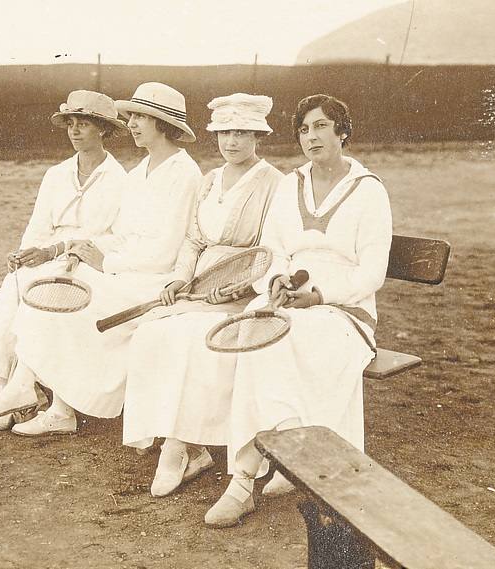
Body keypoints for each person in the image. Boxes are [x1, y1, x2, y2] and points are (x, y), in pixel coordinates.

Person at [0, 82, 203, 437]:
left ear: (162, 123)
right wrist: (81, 248)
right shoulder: (142, 170)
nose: (132, 124)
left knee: (71, 297)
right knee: (57, 287)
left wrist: (105, 263)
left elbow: (165, 252)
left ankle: (43, 399)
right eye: (132, 116)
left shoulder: (184, 173)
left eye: (140, 117)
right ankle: (32, 392)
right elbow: (122, 234)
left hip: (154, 280)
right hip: (128, 270)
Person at [204, 94, 392, 528]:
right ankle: (245, 477)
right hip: (289, 298)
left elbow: (371, 273)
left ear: (342, 132)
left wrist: (321, 296)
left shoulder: (369, 190)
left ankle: (281, 462)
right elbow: (273, 249)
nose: (312, 137)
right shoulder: (291, 184)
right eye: (304, 129)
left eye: (321, 126)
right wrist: (274, 281)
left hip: (344, 311)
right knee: (254, 334)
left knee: (290, 339)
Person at [0, 90, 129, 435]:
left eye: (84, 124)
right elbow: (37, 228)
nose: (75, 131)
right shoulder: (56, 174)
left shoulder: (120, 179)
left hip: (83, 259)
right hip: (49, 253)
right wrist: (24, 254)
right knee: (17, 280)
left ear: (103, 129)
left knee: (42, 285)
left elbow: (117, 236)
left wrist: (61, 250)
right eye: (71, 124)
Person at [121, 93, 283, 497]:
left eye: (241, 133)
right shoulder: (210, 180)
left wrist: (242, 286)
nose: (232, 141)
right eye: (225, 132)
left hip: (240, 292)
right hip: (198, 288)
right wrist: (180, 278)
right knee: (151, 333)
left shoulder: (273, 183)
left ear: (258, 136)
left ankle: (178, 447)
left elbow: (271, 249)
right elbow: (193, 239)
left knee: (193, 339)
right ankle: (185, 445)